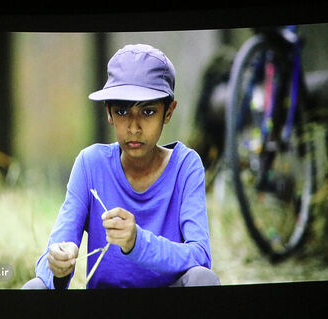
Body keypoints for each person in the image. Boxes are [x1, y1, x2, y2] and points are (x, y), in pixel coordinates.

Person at [22, 43, 220, 289]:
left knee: (203, 280)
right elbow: (55, 250)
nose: (134, 127)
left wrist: (137, 241)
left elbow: (200, 256)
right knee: (35, 288)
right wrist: (59, 262)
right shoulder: (91, 164)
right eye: (123, 111)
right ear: (109, 113)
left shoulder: (185, 166)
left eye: (148, 112)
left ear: (168, 112)